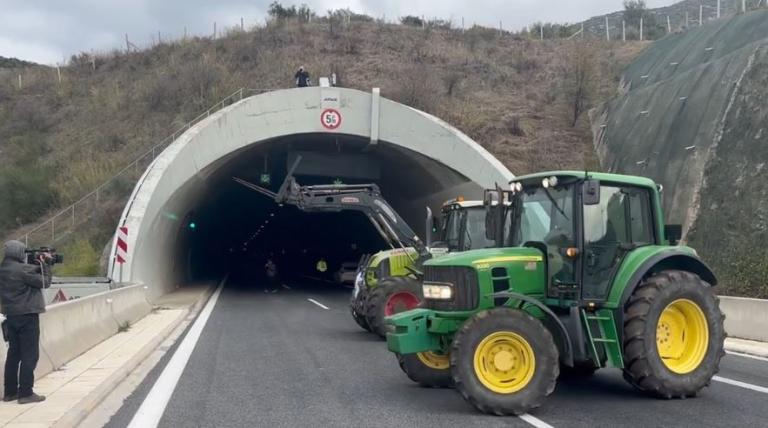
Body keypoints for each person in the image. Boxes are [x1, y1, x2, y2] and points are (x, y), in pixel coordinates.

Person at [0, 241, 52, 404]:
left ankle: (10, 392)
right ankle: (26, 393)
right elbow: (44, 282)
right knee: (29, 355)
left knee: (13, 354)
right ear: (18, 253)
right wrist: (46, 264)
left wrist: (37, 265)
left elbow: (25, 274)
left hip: (11, 316)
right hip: (27, 316)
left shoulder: (3, 268)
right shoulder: (23, 270)